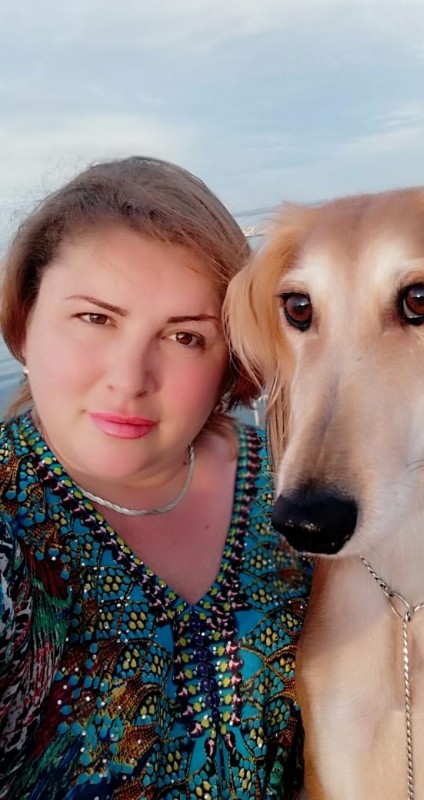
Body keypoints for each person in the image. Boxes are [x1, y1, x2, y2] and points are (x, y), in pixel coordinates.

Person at [0, 156, 312, 800]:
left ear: (231, 356)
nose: (130, 378)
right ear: (25, 322)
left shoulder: (300, 485)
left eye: (185, 337)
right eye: (95, 319)